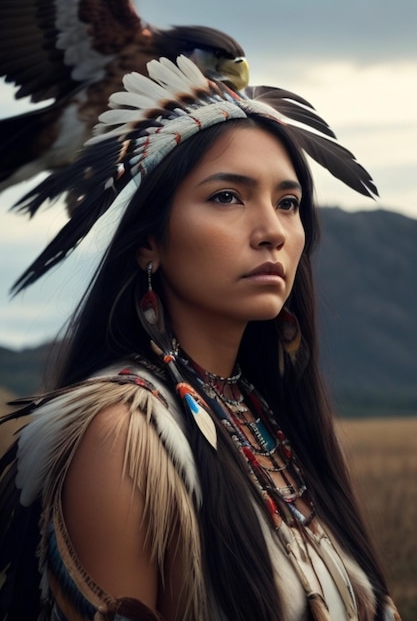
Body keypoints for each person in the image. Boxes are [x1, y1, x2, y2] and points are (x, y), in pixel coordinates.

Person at [0, 56, 400, 621]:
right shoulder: (125, 437)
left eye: (288, 203)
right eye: (227, 197)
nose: (272, 233)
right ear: (148, 243)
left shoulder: (277, 421)